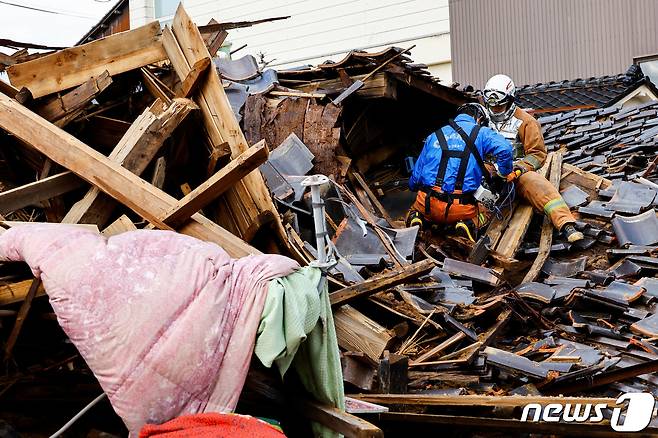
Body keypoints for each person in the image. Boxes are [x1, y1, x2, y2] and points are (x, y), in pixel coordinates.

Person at [483, 74, 584, 243]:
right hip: (487, 171)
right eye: (492, 107)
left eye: (499, 106)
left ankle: (566, 224)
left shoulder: (526, 122)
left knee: (540, 186)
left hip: (515, 173)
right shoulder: (481, 119)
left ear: (509, 100)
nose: (496, 110)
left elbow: (537, 154)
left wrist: (518, 169)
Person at [408, 103, 513, 240]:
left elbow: (415, 178)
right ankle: (468, 225)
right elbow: (505, 149)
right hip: (460, 208)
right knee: (487, 212)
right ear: (479, 119)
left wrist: (415, 187)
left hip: (428, 204)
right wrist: (502, 175)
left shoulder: (435, 135)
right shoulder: (481, 133)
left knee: (413, 209)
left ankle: (417, 218)